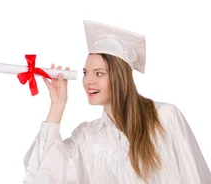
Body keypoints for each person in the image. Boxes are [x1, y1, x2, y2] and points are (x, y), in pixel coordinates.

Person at [22, 20, 211, 183]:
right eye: (86, 73)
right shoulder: (87, 137)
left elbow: (193, 176)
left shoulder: (163, 117)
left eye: (99, 73)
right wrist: (57, 104)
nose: (88, 81)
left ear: (120, 77)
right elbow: (43, 173)